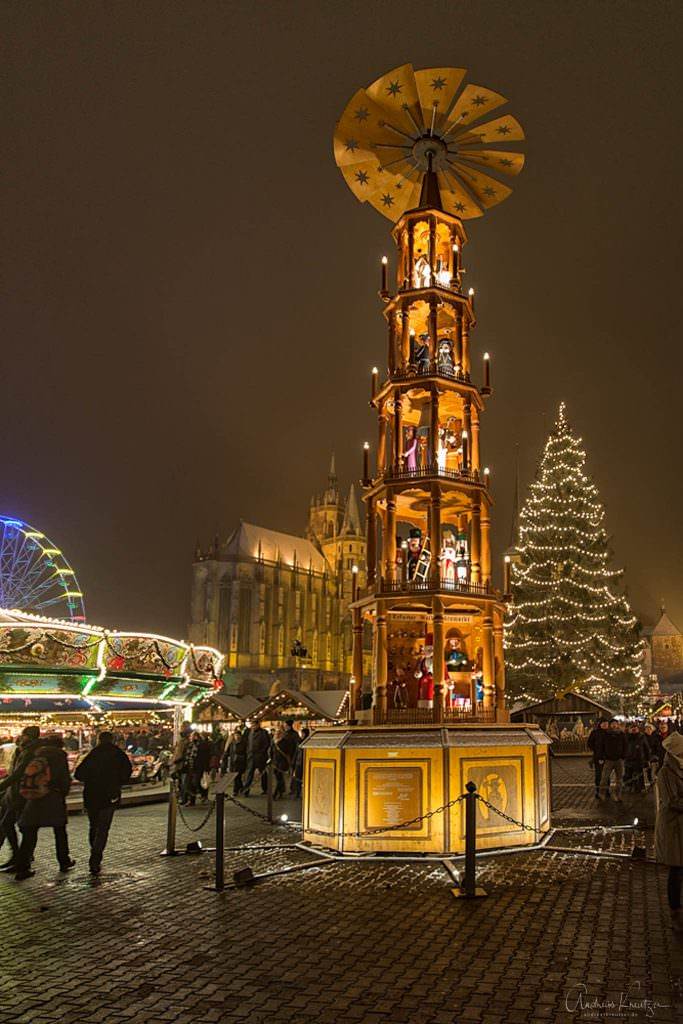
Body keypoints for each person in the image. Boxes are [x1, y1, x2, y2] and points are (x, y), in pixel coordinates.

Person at [14, 734, 74, 880]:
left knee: (29, 833)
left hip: (34, 797)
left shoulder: (36, 755)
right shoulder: (59, 756)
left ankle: (22, 867)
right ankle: (63, 860)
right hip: (52, 796)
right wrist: (62, 793)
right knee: (60, 831)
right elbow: (64, 779)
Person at [73, 731, 132, 874]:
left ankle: (94, 851)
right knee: (103, 828)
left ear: (98, 740)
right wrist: (116, 781)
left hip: (92, 795)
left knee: (93, 826)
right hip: (109, 795)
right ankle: (96, 856)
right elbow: (127, 773)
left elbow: (78, 774)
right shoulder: (118, 755)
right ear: (112, 740)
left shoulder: (93, 754)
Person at [0, 726, 41, 871]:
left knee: (21, 826)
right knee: (12, 824)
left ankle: (21, 858)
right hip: (14, 793)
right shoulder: (22, 750)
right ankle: (20, 857)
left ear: (28, 736)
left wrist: (3, 785)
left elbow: (18, 773)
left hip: (21, 794)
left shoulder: (30, 752)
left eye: (23, 735)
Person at [654, 731, 683, 932]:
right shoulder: (665, 772)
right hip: (674, 826)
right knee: (677, 869)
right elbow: (672, 801)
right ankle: (675, 910)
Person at [598, 719, 627, 802]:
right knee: (604, 778)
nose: (614, 725)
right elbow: (601, 746)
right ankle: (602, 793)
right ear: (610, 725)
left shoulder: (621, 734)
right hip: (608, 760)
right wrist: (602, 756)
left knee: (619, 779)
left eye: (615, 724)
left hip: (619, 760)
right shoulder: (606, 734)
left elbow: (625, 745)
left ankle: (617, 795)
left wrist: (623, 756)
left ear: (617, 725)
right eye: (613, 724)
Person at [242, 721, 271, 796]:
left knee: (263, 773)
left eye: (254, 725)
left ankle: (265, 789)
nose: (253, 726)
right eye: (252, 725)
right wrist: (248, 752)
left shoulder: (263, 733)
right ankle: (246, 790)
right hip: (251, 756)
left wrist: (261, 752)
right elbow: (247, 743)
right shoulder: (249, 732)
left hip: (260, 756)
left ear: (258, 725)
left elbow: (266, 744)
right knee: (249, 773)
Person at [624, 724, 650, 793]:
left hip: (639, 759)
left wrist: (648, 759)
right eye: (632, 728)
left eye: (635, 728)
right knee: (628, 774)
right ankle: (629, 787)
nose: (634, 729)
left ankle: (641, 788)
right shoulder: (627, 737)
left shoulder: (642, 737)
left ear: (638, 729)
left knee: (640, 775)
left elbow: (646, 748)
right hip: (629, 759)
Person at [276, 720, 301, 793]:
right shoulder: (289, 734)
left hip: (290, 756)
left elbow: (295, 746)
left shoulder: (291, 735)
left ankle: (292, 788)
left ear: (289, 726)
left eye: (285, 725)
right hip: (286, 756)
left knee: (293, 773)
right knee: (289, 773)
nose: (284, 727)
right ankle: (289, 788)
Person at [222, 727, 247, 794]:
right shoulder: (232, 744)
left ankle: (236, 790)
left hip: (240, 762)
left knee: (237, 776)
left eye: (238, 735)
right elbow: (227, 752)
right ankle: (241, 788)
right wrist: (223, 759)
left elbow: (246, 753)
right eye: (236, 735)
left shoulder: (244, 743)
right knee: (236, 777)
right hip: (233, 762)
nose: (237, 737)